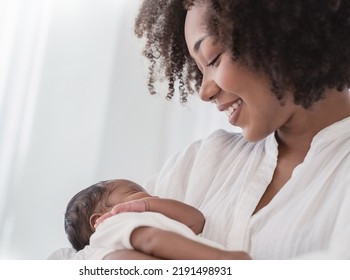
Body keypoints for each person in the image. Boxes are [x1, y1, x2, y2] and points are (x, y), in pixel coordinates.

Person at [103, 0, 350, 260]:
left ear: (280, 34)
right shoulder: (199, 162)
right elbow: (78, 254)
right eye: (199, 71)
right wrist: (113, 258)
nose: (205, 91)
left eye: (213, 59)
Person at [49, 179, 248, 260]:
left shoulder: (155, 218)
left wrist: (148, 205)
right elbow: (151, 240)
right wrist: (222, 260)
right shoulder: (111, 224)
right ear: (98, 221)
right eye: (135, 192)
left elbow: (196, 220)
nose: (152, 197)